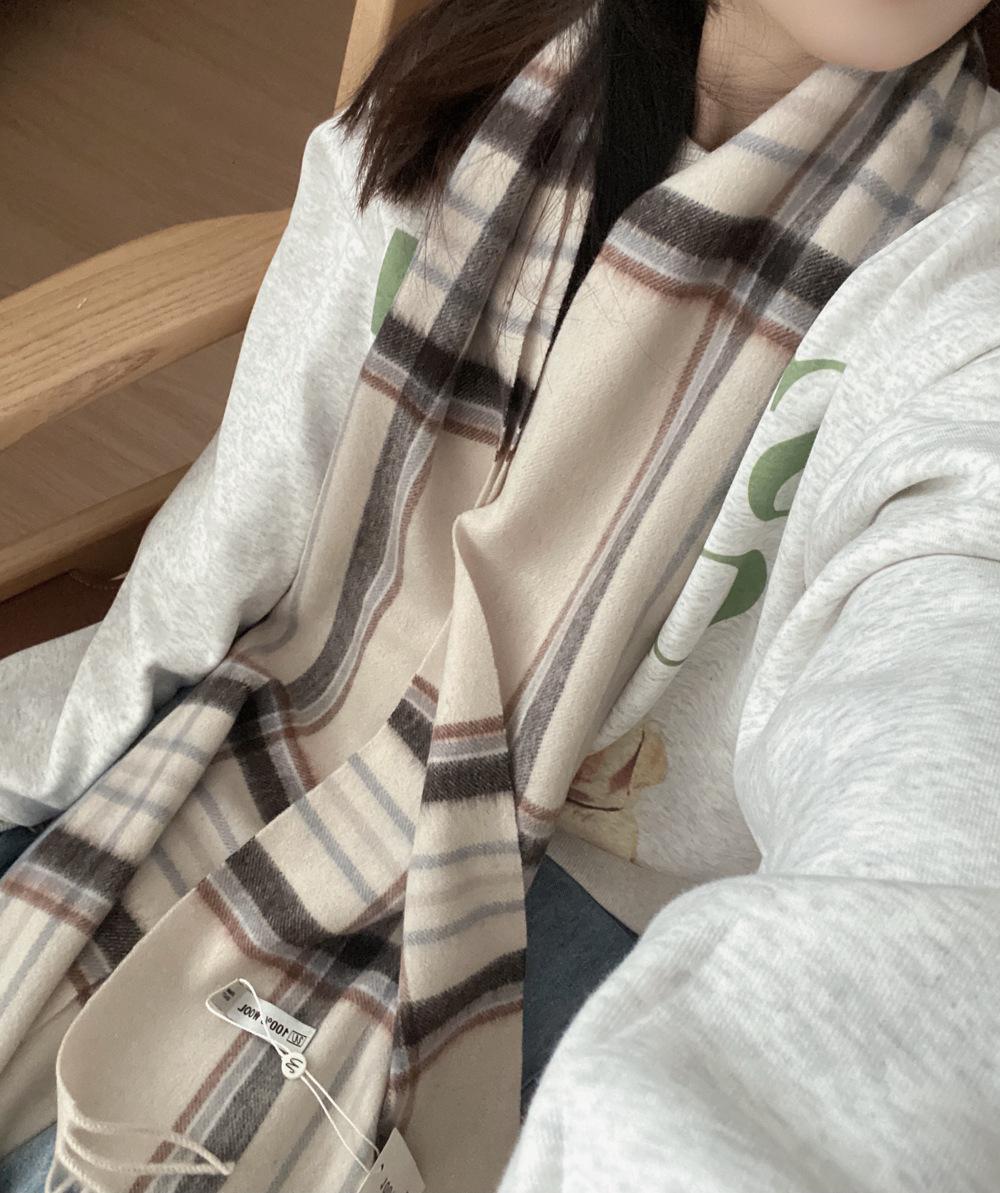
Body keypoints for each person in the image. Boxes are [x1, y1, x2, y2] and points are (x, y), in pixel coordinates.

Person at [1, 1, 999, 1189]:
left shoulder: (965, 282)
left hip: (604, 880)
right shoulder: (478, 72)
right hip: (279, 700)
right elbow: (238, 532)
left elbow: (942, 799)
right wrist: (45, 765)